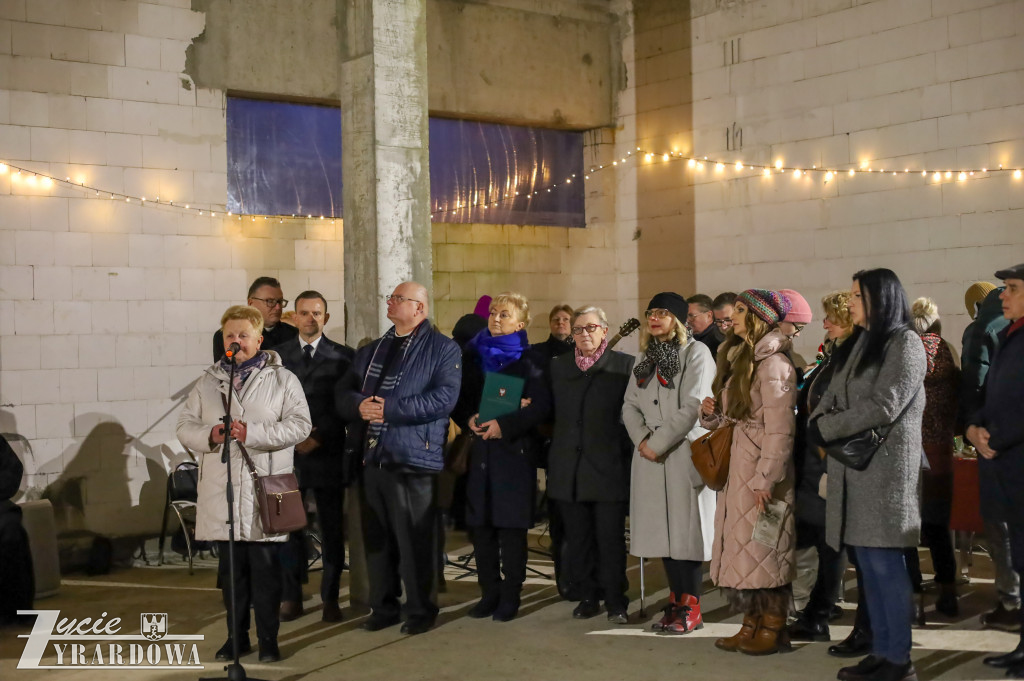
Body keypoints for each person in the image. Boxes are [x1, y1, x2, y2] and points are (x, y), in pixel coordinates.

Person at [807, 268, 927, 681]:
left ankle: (899, 660)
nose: (851, 301)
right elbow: (831, 394)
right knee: (869, 570)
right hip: (853, 471)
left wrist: (827, 428)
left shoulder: (905, 343)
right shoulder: (860, 342)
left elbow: (885, 404)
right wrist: (818, 420)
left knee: (886, 567)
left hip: (885, 475)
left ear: (881, 298)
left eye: (858, 295)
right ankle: (881, 650)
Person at [177, 305, 312, 663]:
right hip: (222, 490)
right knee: (231, 574)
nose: (235, 341)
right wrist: (211, 434)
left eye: (243, 335)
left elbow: (300, 425)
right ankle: (236, 639)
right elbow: (184, 426)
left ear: (259, 339)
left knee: (266, 574)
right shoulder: (208, 382)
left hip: (263, 488)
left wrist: (253, 433)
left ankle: (268, 639)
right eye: (229, 335)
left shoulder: (282, 379)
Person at [336, 281, 461, 636]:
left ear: (419, 308)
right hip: (372, 455)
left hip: (412, 457)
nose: (390, 303)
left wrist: (388, 409)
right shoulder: (373, 349)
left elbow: (443, 399)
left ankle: (420, 609)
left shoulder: (443, 349)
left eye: (398, 299)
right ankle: (384, 606)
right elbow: (343, 391)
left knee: (414, 540)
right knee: (377, 539)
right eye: (390, 298)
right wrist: (359, 406)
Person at [700, 289, 797, 655]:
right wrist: (712, 414)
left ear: (758, 317)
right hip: (739, 470)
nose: (733, 316)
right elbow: (736, 416)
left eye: (741, 310)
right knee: (746, 552)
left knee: (767, 549)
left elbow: (780, 429)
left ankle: (773, 626)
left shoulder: (774, 365)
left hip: (762, 474)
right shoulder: (742, 357)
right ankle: (750, 623)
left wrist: (766, 478)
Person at [453, 292, 550, 622]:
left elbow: (540, 406)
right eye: (493, 312)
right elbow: (460, 399)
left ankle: (511, 595)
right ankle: (488, 593)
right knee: (481, 530)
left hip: (513, 454)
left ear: (520, 324)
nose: (495, 318)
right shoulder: (472, 357)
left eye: (504, 314)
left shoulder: (532, 361)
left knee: (510, 531)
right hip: (479, 452)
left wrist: (504, 425)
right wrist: (468, 418)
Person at [624, 293, 716, 633]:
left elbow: (693, 405)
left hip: (681, 451)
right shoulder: (644, 357)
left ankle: (692, 606)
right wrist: (642, 441)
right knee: (662, 533)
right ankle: (676, 602)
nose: (654, 318)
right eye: (651, 312)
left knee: (685, 532)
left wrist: (658, 443)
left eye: (662, 312)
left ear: (677, 319)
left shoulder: (696, 353)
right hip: (648, 454)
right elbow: (629, 404)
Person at [546, 305, 634, 623]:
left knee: (610, 539)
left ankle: (615, 600)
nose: (584, 334)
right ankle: (588, 596)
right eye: (578, 329)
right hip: (568, 468)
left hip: (608, 467)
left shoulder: (624, 366)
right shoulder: (558, 365)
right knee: (578, 538)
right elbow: (548, 411)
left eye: (591, 328)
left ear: (604, 331)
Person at [276, 291, 354, 623]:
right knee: (288, 528)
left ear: (326, 317)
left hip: (327, 453)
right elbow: (272, 402)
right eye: (305, 313)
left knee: (331, 529)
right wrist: (293, 437)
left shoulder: (344, 356)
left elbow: (346, 405)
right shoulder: (276, 356)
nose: (311, 318)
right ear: (294, 317)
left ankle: (330, 598)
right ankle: (291, 596)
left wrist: (318, 436)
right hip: (286, 455)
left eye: (317, 313)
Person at [788, 291, 856, 643]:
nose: (824, 322)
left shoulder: (849, 361)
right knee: (817, 539)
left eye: (831, 317)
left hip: (828, 462)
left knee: (832, 543)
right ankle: (814, 610)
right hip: (812, 461)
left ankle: (819, 614)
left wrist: (829, 460)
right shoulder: (832, 357)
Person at [969, 263, 1024, 678]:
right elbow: (991, 394)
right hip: (1006, 465)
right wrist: (974, 428)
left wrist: (997, 438)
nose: (1002, 295)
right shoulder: (1008, 335)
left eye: (1012, 288)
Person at [961, 283, 1019, 632]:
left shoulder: (983, 330)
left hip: (995, 443)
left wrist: (973, 428)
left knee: (1002, 526)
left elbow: (975, 384)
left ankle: (1011, 601)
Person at [910, 297, 960, 616]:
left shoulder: (910, 353)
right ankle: (948, 592)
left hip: (912, 450)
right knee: (939, 525)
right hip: (941, 449)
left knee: (909, 527)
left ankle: (914, 596)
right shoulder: (947, 351)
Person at [213, 277, 298, 362]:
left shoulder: (295, 335)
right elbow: (223, 368)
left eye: (280, 301)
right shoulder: (224, 336)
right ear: (251, 303)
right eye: (270, 301)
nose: (278, 307)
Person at [687, 293, 725, 359]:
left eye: (691, 316)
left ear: (709, 316)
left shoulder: (717, 342)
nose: (687, 320)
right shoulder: (692, 338)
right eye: (685, 316)